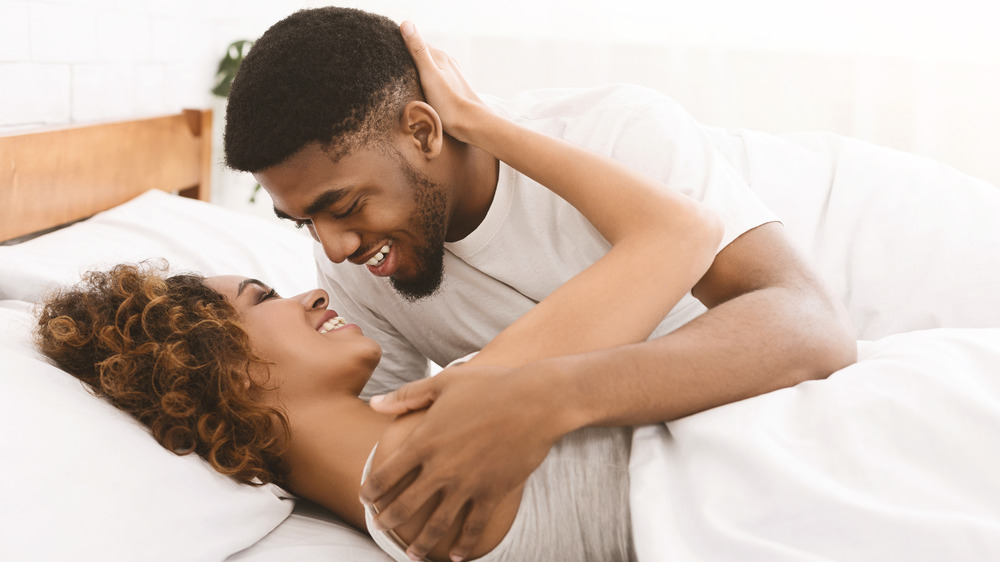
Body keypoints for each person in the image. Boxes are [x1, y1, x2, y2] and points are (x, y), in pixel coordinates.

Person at [223, 7, 857, 561]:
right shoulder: (354, 267)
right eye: (303, 220)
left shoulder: (616, 132)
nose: (333, 247)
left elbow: (812, 327)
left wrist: (551, 396)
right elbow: (405, 440)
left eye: (345, 204)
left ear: (423, 131)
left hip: (849, 290)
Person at [37, 56, 726, 560]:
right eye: (263, 296)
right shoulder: (450, 435)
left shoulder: (385, 493)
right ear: (228, 370)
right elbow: (686, 232)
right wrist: (483, 124)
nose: (319, 278)